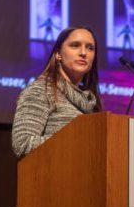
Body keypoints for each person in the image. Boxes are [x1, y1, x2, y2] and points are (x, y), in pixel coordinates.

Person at [12, 26, 103, 159]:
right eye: (75, 45)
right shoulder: (41, 90)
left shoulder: (90, 101)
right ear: (58, 54)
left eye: (90, 48)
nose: (84, 52)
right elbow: (22, 145)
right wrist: (76, 140)